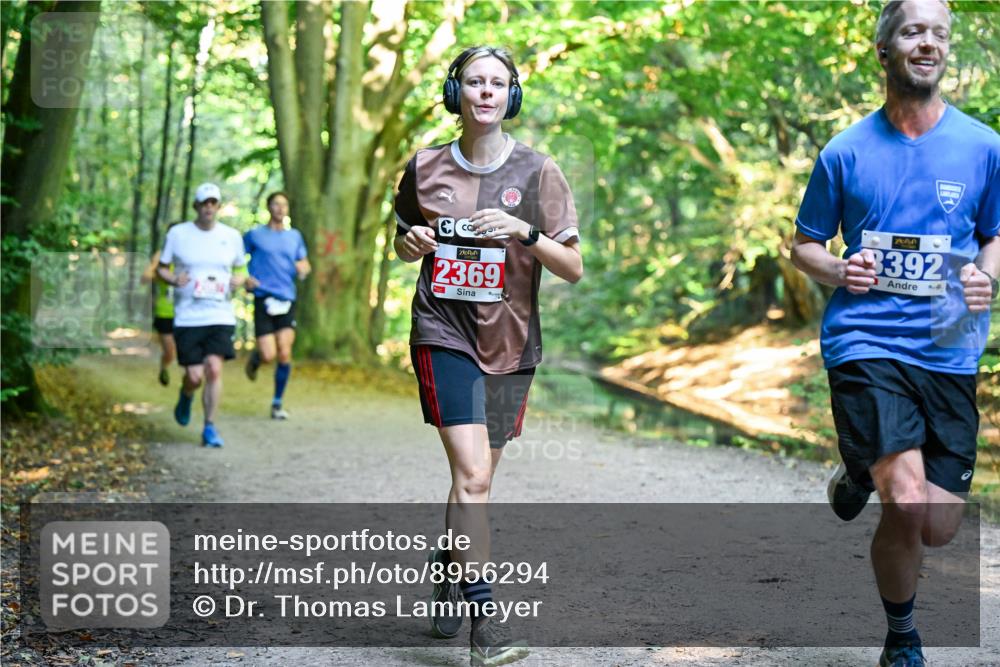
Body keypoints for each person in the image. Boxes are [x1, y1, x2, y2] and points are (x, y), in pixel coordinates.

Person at [790, 2, 999, 665]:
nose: (928, 42)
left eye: (939, 33)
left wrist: (986, 277)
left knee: (937, 525)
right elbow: (805, 246)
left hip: (949, 343)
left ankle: (856, 467)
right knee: (905, 503)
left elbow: (996, 234)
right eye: (913, 31)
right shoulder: (845, 151)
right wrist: (840, 267)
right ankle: (902, 637)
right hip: (866, 340)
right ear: (883, 49)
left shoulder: (984, 146)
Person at [394, 45, 583, 666]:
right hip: (442, 332)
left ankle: (449, 565)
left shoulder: (538, 173)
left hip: (511, 343)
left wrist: (525, 233)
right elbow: (402, 242)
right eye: (473, 81)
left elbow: (574, 267)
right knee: (472, 476)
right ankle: (487, 626)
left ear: (511, 96)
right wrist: (412, 241)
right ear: (456, 93)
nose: (485, 92)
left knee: (475, 479)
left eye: (497, 83)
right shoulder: (422, 168)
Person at [157, 183, 249, 448]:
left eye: (213, 203)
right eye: (204, 203)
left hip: (220, 314)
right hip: (187, 316)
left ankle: (209, 427)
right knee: (195, 376)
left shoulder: (231, 236)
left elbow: (241, 270)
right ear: (196, 206)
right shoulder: (178, 234)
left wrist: (238, 281)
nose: (209, 207)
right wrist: (174, 279)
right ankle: (186, 394)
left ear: (218, 207)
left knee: (214, 369)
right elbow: (161, 268)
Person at [242, 191, 311, 419]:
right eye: (276, 204)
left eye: (284, 204)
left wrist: (303, 269)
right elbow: (236, 258)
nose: (280, 208)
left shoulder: (295, 237)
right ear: (269, 207)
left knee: (284, 352)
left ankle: (277, 403)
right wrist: (245, 278)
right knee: (269, 354)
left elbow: (304, 263)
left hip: (286, 298)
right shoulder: (255, 235)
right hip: (263, 297)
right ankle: (257, 359)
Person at [141, 228, 178, 386]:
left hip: (189, 312)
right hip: (166, 311)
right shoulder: (162, 255)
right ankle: (164, 366)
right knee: (170, 352)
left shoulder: (194, 253)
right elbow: (144, 278)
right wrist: (160, 273)